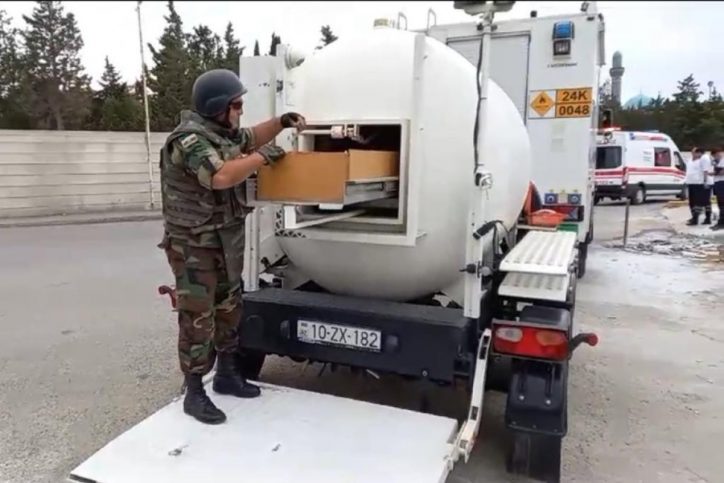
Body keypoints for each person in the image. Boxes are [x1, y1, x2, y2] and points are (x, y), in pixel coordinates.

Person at [158, 68, 306, 424]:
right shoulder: (189, 141)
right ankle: (194, 391)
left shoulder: (221, 133)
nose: (240, 111)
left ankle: (227, 373)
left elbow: (250, 136)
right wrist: (261, 157)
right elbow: (221, 176)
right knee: (198, 315)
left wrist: (281, 122)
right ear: (218, 107)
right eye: (236, 105)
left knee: (229, 307)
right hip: (195, 244)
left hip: (225, 238)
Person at [683, 148, 710, 226]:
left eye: (694, 152)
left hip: (698, 183)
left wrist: (705, 181)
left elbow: (705, 171)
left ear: (698, 153)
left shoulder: (702, 160)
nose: (692, 154)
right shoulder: (689, 160)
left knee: (698, 202)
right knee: (691, 202)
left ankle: (696, 218)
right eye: (692, 152)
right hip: (690, 183)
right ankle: (693, 217)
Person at [711, 147, 724, 231]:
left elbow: (722, 172)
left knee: (722, 204)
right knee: (718, 203)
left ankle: (721, 223)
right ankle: (720, 222)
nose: (716, 156)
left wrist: (715, 173)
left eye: (717, 154)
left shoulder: (723, 160)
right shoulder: (716, 162)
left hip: (722, 183)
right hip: (716, 183)